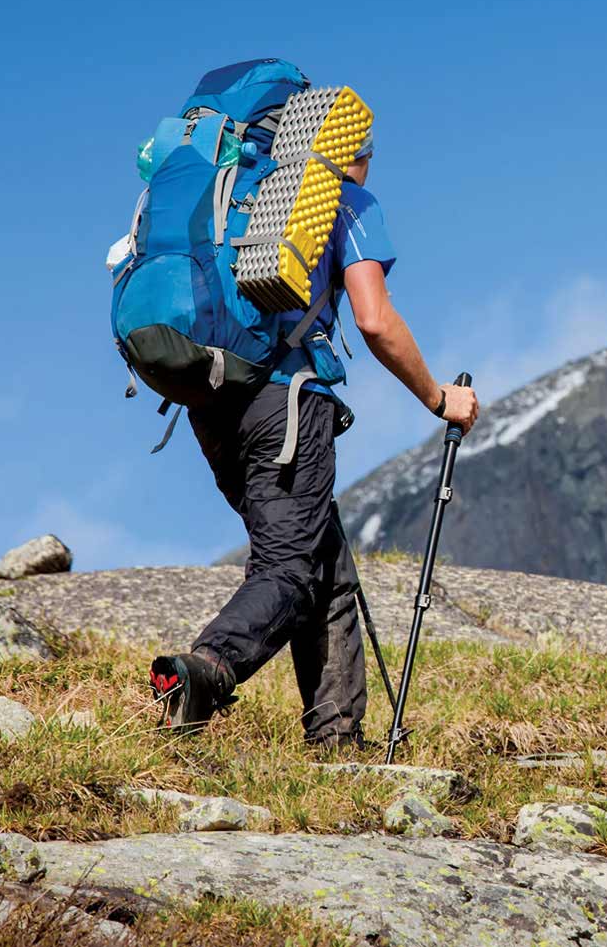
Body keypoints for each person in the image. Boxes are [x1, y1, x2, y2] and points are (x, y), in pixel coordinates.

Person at [150, 134, 480, 745]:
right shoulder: (345, 200)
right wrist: (439, 397)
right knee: (290, 567)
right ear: (350, 148)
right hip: (286, 403)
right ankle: (205, 672)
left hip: (211, 399)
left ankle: (336, 740)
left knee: (322, 563)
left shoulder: (238, 200)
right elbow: (374, 319)